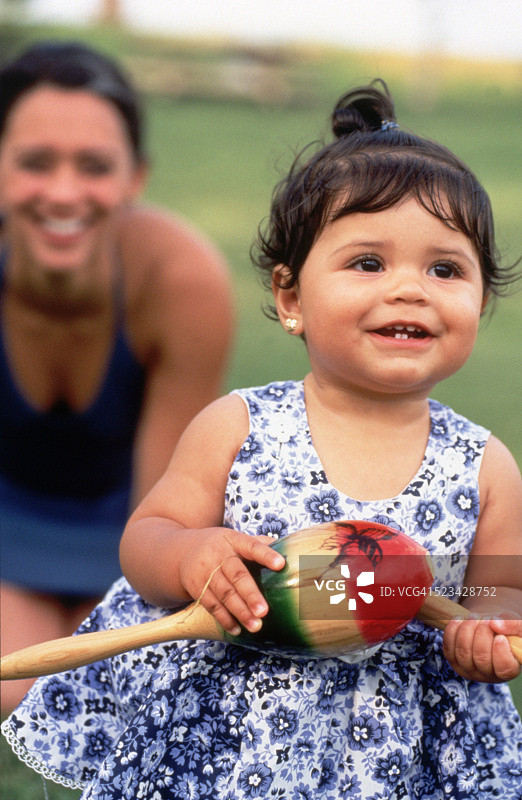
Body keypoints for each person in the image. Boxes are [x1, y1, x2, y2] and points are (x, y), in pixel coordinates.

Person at [2, 80, 521, 799]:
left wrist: (487, 636)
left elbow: (502, 598)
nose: (411, 289)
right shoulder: (239, 424)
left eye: (445, 269)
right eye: (368, 263)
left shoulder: (486, 465)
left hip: (395, 755)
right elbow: (147, 537)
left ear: (481, 300)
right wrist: (191, 555)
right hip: (233, 741)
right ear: (289, 297)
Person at [0, 41, 233, 712]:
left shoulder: (181, 282)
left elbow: (167, 510)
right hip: (8, 524)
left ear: (136, 177)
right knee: (20, 691)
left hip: (130, 530)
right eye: (36, 163)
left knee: (112, 694)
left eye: (94, 166)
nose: (64, 192)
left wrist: (138, 625)